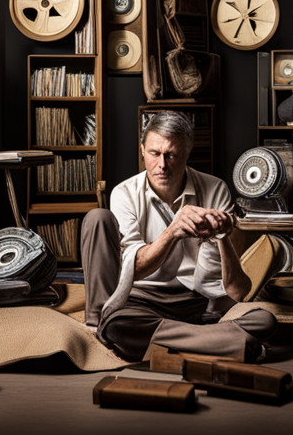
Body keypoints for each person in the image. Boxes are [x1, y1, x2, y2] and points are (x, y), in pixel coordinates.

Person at [81, 111, 276, 363]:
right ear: (142, 150)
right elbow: (135, 270)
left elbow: (237, 292)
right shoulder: (124, 194)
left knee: (265, 319)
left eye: (171, 155)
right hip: (142, 302)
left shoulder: (215, 188)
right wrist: (173, 231)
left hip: (198, 306)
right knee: (118, 323)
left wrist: (223, 236)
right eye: (154, 153)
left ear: (186, 154)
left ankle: (193, 341)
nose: (162, 164)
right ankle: (227, 342)